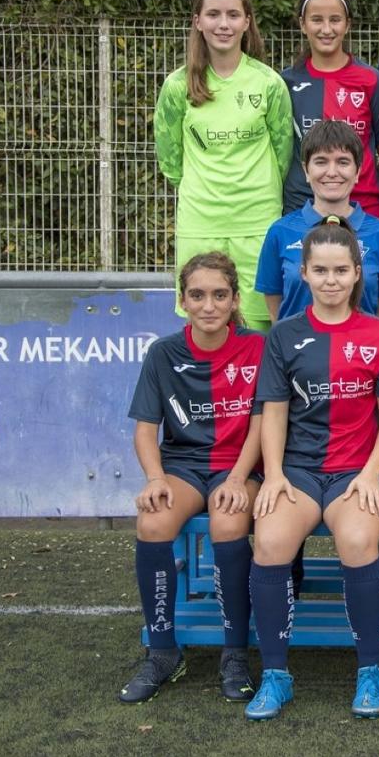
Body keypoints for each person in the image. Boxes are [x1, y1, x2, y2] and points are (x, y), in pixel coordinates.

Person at [244, 218, 379, 721]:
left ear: (357, 273)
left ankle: (370, 671)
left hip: (357, 470)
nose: (331, 280)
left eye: (340, 270)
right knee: (270, 543)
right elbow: (273, 412)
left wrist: (373, 473)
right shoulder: (284, 335)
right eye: (321, 271)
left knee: (357, 541)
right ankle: (275, 675)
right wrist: (273, 475)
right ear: (304, 274)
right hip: (299, 472)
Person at [120, 252, 264, 704]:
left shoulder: (258, 348)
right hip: (182, 466)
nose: (208, 305)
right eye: (197, 295)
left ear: (235, 300)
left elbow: (263, 424)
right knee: (153, 522)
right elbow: (146, 429)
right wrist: (154, 478)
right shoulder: (163, 353)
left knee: (228, 521)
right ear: (182, 301)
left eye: (219, 295)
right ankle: (164, 653)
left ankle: (234, 653)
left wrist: (238, 478)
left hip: (240, 465)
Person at [154, 0, 293, 330]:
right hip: (201, 222)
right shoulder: (177, 86)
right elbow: (170, 160)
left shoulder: (269, 83)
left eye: (233, 15)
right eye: (213, 14)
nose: (223, 24)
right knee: (205, 326)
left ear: (247, 22)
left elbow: (283, 154)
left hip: (258, 223)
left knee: (257, 328)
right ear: (197, 22)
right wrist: (205, 189)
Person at [256, 120, 379, 322]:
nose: (332, 172)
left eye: (343, 162)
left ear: (358, 171)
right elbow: (275, 307)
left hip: (360, 343)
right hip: (298, 343)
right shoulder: (280, 232)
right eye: (321, 162)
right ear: (306, 170)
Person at [279, 0, 379, 217]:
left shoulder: (372, 80)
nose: (326, 29)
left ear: (347, 24)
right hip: (302, 206)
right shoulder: (286, 83)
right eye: (317, 20)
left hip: (361, 207)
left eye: (335, 20)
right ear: (303, 24)